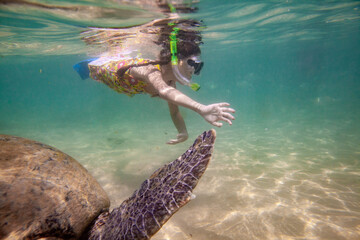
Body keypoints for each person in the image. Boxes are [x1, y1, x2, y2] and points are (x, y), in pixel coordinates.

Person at [74, 19, 235, 144]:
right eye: (191, 63)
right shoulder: (150, 70)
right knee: (92, 68)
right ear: (175, 60)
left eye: (198, 65)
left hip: (121, 85)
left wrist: (183, 132)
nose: (193, 69)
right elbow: (164, 92)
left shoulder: (170, 82)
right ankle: (95, 60)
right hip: (105, 68)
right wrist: (201, 108)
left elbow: (175, 111)